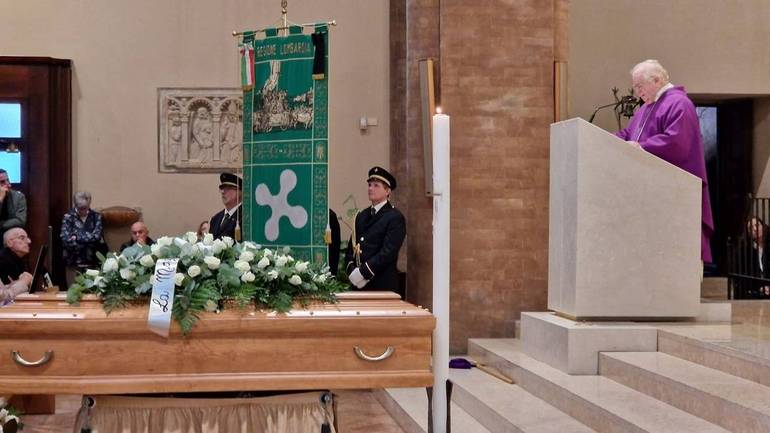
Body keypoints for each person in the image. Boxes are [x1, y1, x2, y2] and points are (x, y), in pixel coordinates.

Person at [616, 59, 714, 263]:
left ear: (657, 79)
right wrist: (602, 139)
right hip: (650, 194)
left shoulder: (678, 103)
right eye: (635, 87)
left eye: (639, 86)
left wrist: (642, 147)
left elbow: (677, 143)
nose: (637, 92)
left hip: (674, 193)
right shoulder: (645, 108)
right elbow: (628, 134)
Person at [344, 166, 406, 291]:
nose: (371, 188)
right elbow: (352, 249)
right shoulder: (361, 215)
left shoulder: (394, 217)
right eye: (369, 185)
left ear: (388, 191)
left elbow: (387, 253)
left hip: (381, 285)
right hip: (358, 285)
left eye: (376, 185)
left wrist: (363, 272)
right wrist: (352, 271)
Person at [61, 191, 105, 286]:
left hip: (92, 262)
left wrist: (76, 236)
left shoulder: (96, 217)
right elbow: (65, 239)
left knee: (92, 293)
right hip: (73, 263)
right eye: (80, 208)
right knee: (74, 293)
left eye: (85, 208)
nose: (83, 211)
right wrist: (88, 238)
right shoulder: (68, 217)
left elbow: (96, 237)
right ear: (75, 205)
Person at [210, 173, 242, 240]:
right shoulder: (215, 219)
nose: (223, 192)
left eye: (228, 188)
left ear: (240, 192)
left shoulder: (245, 217)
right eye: (222, 188)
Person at [0, 227, 33, 292]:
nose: (29, 241)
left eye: (28, 238)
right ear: (9, 243)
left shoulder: (20, 260)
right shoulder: (2, 260)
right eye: (22, 238)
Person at [0, 169, 27, 236]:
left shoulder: (18, 197)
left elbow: (20, 221)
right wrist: (0, 200)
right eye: (2, 182)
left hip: (13, 237)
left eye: (8, 180)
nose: (8, 185)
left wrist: (1, 224)